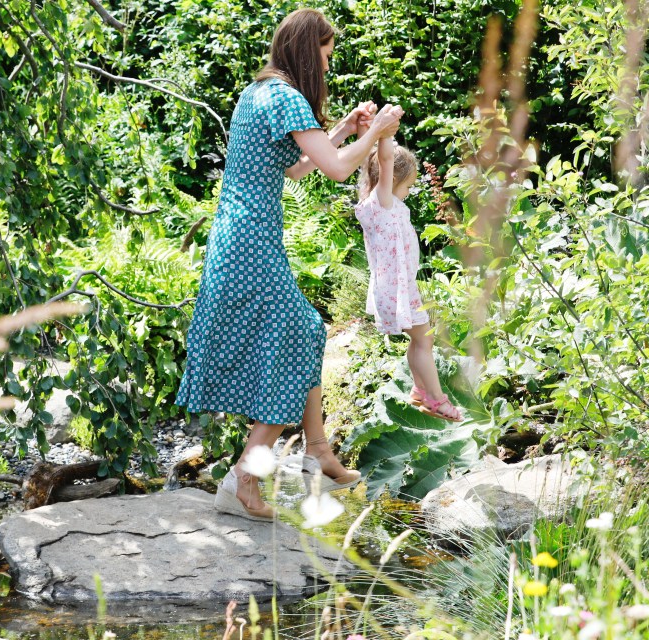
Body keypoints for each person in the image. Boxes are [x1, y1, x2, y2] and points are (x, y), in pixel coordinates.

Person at [176, 8, 404, 520]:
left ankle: (314, 450)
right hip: (251, 241)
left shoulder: (260, 92)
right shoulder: (284, 95)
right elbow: (340, 171)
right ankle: (247, 477)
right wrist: (380, 129)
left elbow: (297, 169)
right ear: (308, 50)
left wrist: (345, 127)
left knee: (299, 332)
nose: (326, 65)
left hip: (239, 238)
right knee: (302, 332)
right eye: (324, 54)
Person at [354, 137, 464, 422]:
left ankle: (420, 391)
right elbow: (385, 160)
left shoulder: (373, 203)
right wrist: (385, 133)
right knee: (424, 340)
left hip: (397, 287)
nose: (409, 191)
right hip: (397, 290)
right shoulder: (382, 202)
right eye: (408, 185)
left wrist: (368, 133)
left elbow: (374, 160)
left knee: (420, 340)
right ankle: (437, 399)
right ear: (391, 180)